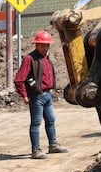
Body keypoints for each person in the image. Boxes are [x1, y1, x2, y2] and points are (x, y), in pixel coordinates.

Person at [15, 31, 68, 160]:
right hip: (37, 97)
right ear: (37, 45)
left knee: (51, 120)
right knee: (36, 123)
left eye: (47, 45)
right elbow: (19, 79)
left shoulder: (46, 58)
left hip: (47, 95)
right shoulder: (29, 59)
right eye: (43, 45)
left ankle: (53, 145)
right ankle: (36, 150)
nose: (45, 48)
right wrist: (25, 95)